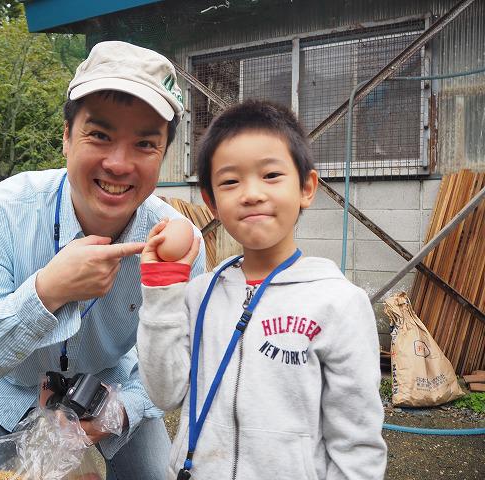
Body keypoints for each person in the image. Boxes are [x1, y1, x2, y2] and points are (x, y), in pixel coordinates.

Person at [0, 40, 206, 480]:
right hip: (2, 387)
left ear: (163, 154)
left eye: (144, 144)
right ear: (65, 136)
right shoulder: (2, 211)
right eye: (99, 135)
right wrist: (48, 291)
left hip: (112, 385)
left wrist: (122, 410)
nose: (118, 164)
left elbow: (188, 360)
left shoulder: (178, 242)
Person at [137, 100, 387, 479]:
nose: (251, 193)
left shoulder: (338, 303)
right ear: (212, 202)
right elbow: (164, 394)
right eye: (230, 181)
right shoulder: (199, 294)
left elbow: (356, 441)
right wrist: (162, 291)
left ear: (306, 188)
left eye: (271, 175)